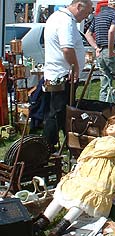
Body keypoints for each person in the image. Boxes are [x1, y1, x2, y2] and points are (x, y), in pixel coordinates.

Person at [33, 114, 115, 236]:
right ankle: (44, 220)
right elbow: (86, 152)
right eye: (110, 124)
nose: (111, 127)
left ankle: (62, 226)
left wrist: (91, 154)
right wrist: (80, 163)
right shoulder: (98, 140)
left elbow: (107, 151)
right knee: (63, 193)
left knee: (83, 199)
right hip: (86, 171)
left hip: (101, 176)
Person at [42, 0, 93, 152]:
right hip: (64, 74)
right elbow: (67, 49)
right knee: (57, 112)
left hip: (58, 73)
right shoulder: (65, 21)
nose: (86, 16)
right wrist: (76, 68)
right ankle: (47, 146)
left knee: (64, 111)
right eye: (86, 12)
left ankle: (68, 142)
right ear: (78, 6)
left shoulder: (57, 17)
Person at [85, 0, 115, 102]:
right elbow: (111, 31)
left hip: (100, 52)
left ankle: (103, 109)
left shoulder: (98, 16)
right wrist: (111, 51)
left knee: (105, 83)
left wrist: (96, 48)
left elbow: (88, 34)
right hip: (112, 49)